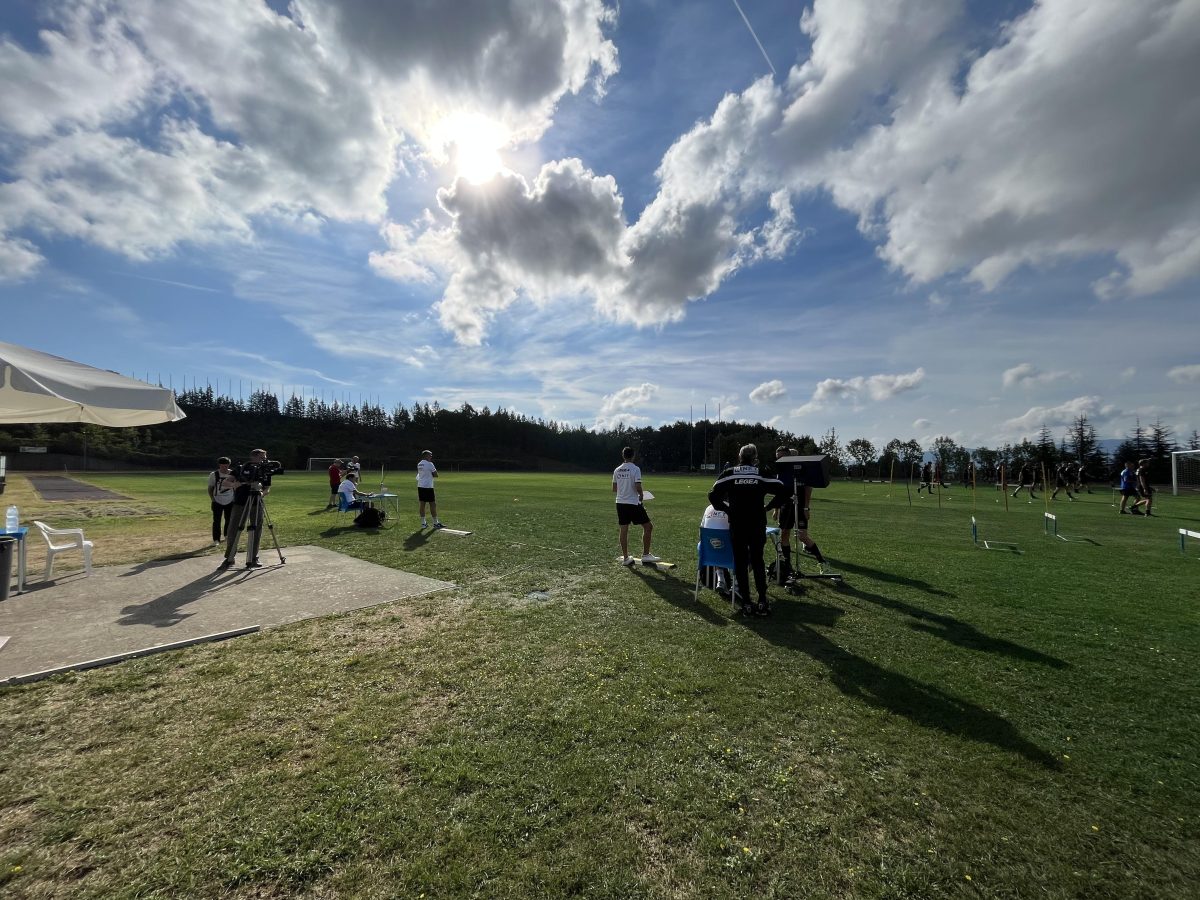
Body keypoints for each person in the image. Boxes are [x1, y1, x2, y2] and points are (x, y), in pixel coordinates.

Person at [708, 443, 785, 617]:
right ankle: (763, 601)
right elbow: (783, 491)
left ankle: (747, 603)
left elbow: (712, 495)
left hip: (737, 524)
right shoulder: (760, 473)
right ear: (755, 457)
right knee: (757, 560)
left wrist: (728, 510)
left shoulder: (729, 474)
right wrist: (768, 507)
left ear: (739, 456)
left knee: (741, 563)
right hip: (757, 523)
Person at [771, 445, 828, 581]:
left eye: (782, 457)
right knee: (784, 534)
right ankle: (788, 566)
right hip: (786, 506)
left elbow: (808, 488)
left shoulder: (802, 469)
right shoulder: (780, 472)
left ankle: (822, 562)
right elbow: (778, 492)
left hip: (800, 506)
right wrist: (776, 510)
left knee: (802, 536)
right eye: (777, 458)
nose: (779, 460)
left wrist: (806, 507)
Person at [219, 448, 273, 570]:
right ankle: (229, 558)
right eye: (262, 457)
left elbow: (267, 488)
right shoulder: (241, 468)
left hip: (257, 504)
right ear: (254, 457)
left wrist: (262, 493)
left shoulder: (265, 471)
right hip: (240, 503)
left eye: (265, 457)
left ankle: (253, 557)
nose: (265, 459)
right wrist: (234, 485)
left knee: (256, 530)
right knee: (234, 529)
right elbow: (225, 483)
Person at [613, 446, 658, 565]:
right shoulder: (635, 469)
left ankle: (626, 558)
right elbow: (638, 486)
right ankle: (646, 555)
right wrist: (641, 496)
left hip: (620, 503)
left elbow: (614, 488)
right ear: (633, 456)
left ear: (623, 456)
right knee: (648, 527)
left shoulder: (617, 470)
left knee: (623, 530)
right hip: (632, 503)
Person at [207, 457, 236, 546]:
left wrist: (234, 498)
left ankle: (227, 535)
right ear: (219, 465)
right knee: (216, 520)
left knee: (229, 519)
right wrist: (213, 499)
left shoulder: (233, 473)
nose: (224, 468)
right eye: (223, 466)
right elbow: (210, 488)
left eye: (226, 466)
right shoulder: (214, 474)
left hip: (230, 500)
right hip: (217, 500)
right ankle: (216, 539)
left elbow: (235, 487)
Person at [416, 450, 443, 529]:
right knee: (433, 504)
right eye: (430, 455)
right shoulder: (430, 464)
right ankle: (435, 523)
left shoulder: (419, 464)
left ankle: (423, 523)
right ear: (426, 455)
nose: (431, 456)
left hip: (420, 486)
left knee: (422, 504)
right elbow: (436, 475)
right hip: (428, 486)